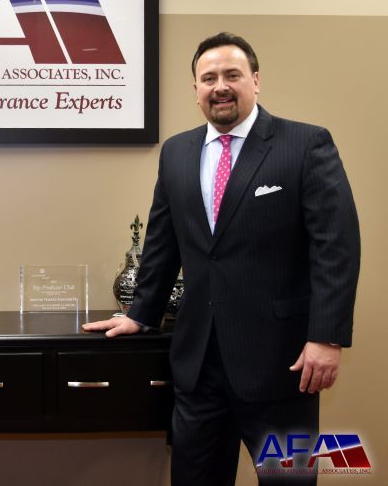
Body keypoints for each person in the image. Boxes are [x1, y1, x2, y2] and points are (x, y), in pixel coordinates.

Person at [84, 33, 360, 485]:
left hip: (282, 367)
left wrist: (327, 338)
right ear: (195, 89)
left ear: (255, 81)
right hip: (199, 368)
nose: (221, 86)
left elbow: (337, 247)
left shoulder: (305, 145)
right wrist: (140, 313)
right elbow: (162, 242)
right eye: (208, 77)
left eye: (232, 75)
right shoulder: (176, 152)